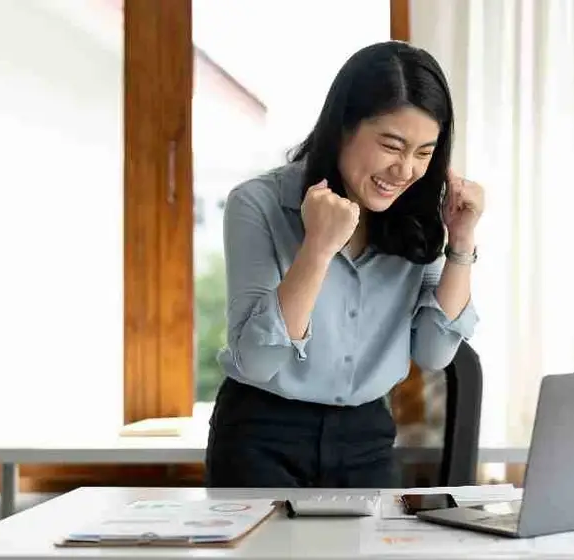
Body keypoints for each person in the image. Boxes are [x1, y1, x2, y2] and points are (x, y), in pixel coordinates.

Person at [204, 41, 484, 489]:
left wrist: (462, 241)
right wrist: (317, 248)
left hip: (365, 438)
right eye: (392, 145)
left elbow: (434, 353)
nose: (405, 170)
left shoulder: (417, 217)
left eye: (424, 152)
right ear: (342, 128)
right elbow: (257, 362)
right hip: (261, 436)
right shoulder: (258, 204)